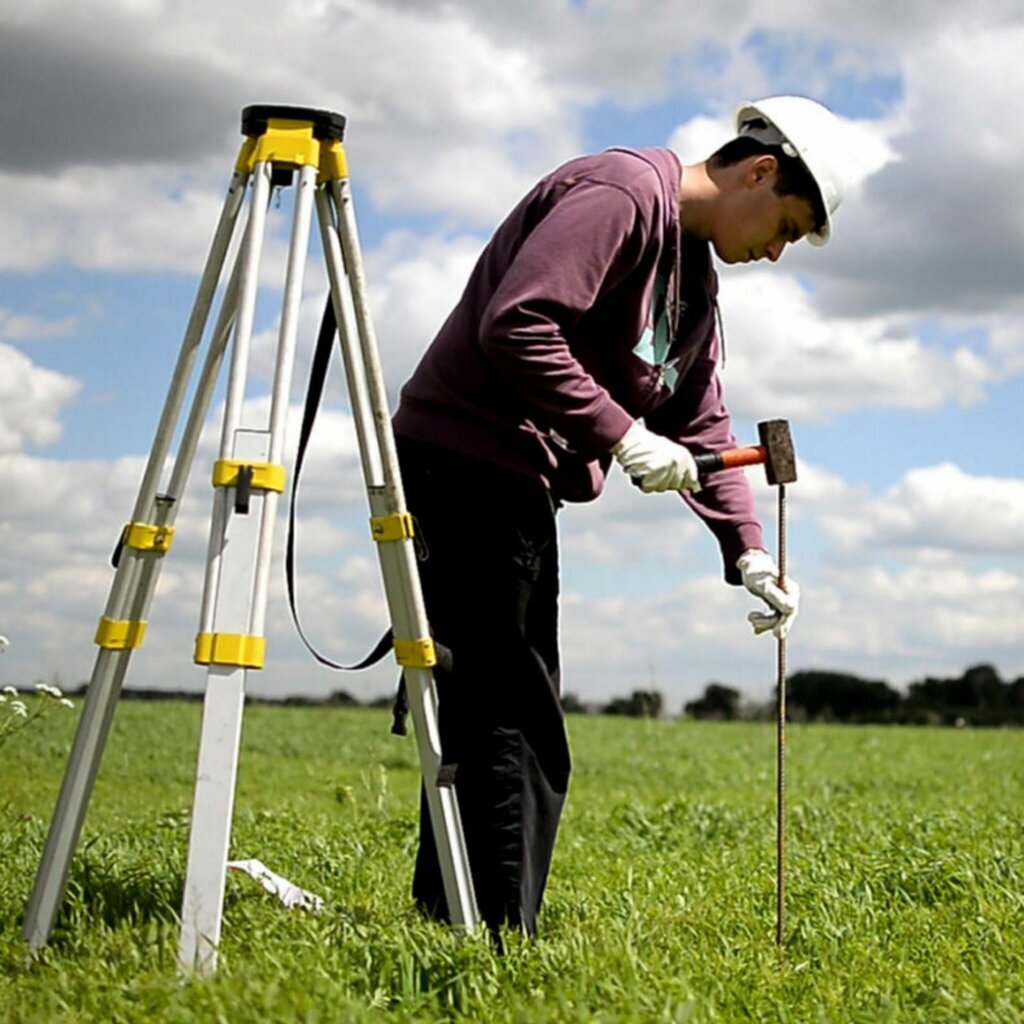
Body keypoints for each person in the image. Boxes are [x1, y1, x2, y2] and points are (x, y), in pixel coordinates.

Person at [392, 96, 849, 938]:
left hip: (511, 479)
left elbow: (703, 421)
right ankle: (494, 940)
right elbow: (518, 323)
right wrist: (622, 436)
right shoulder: (620, 196)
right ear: (760, 172)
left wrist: (747, 551)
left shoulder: (694, 277)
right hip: (463, 457)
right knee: (513, 711)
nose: (777, 254)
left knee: (489, 698)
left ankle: (449, 915)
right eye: (785, 226)